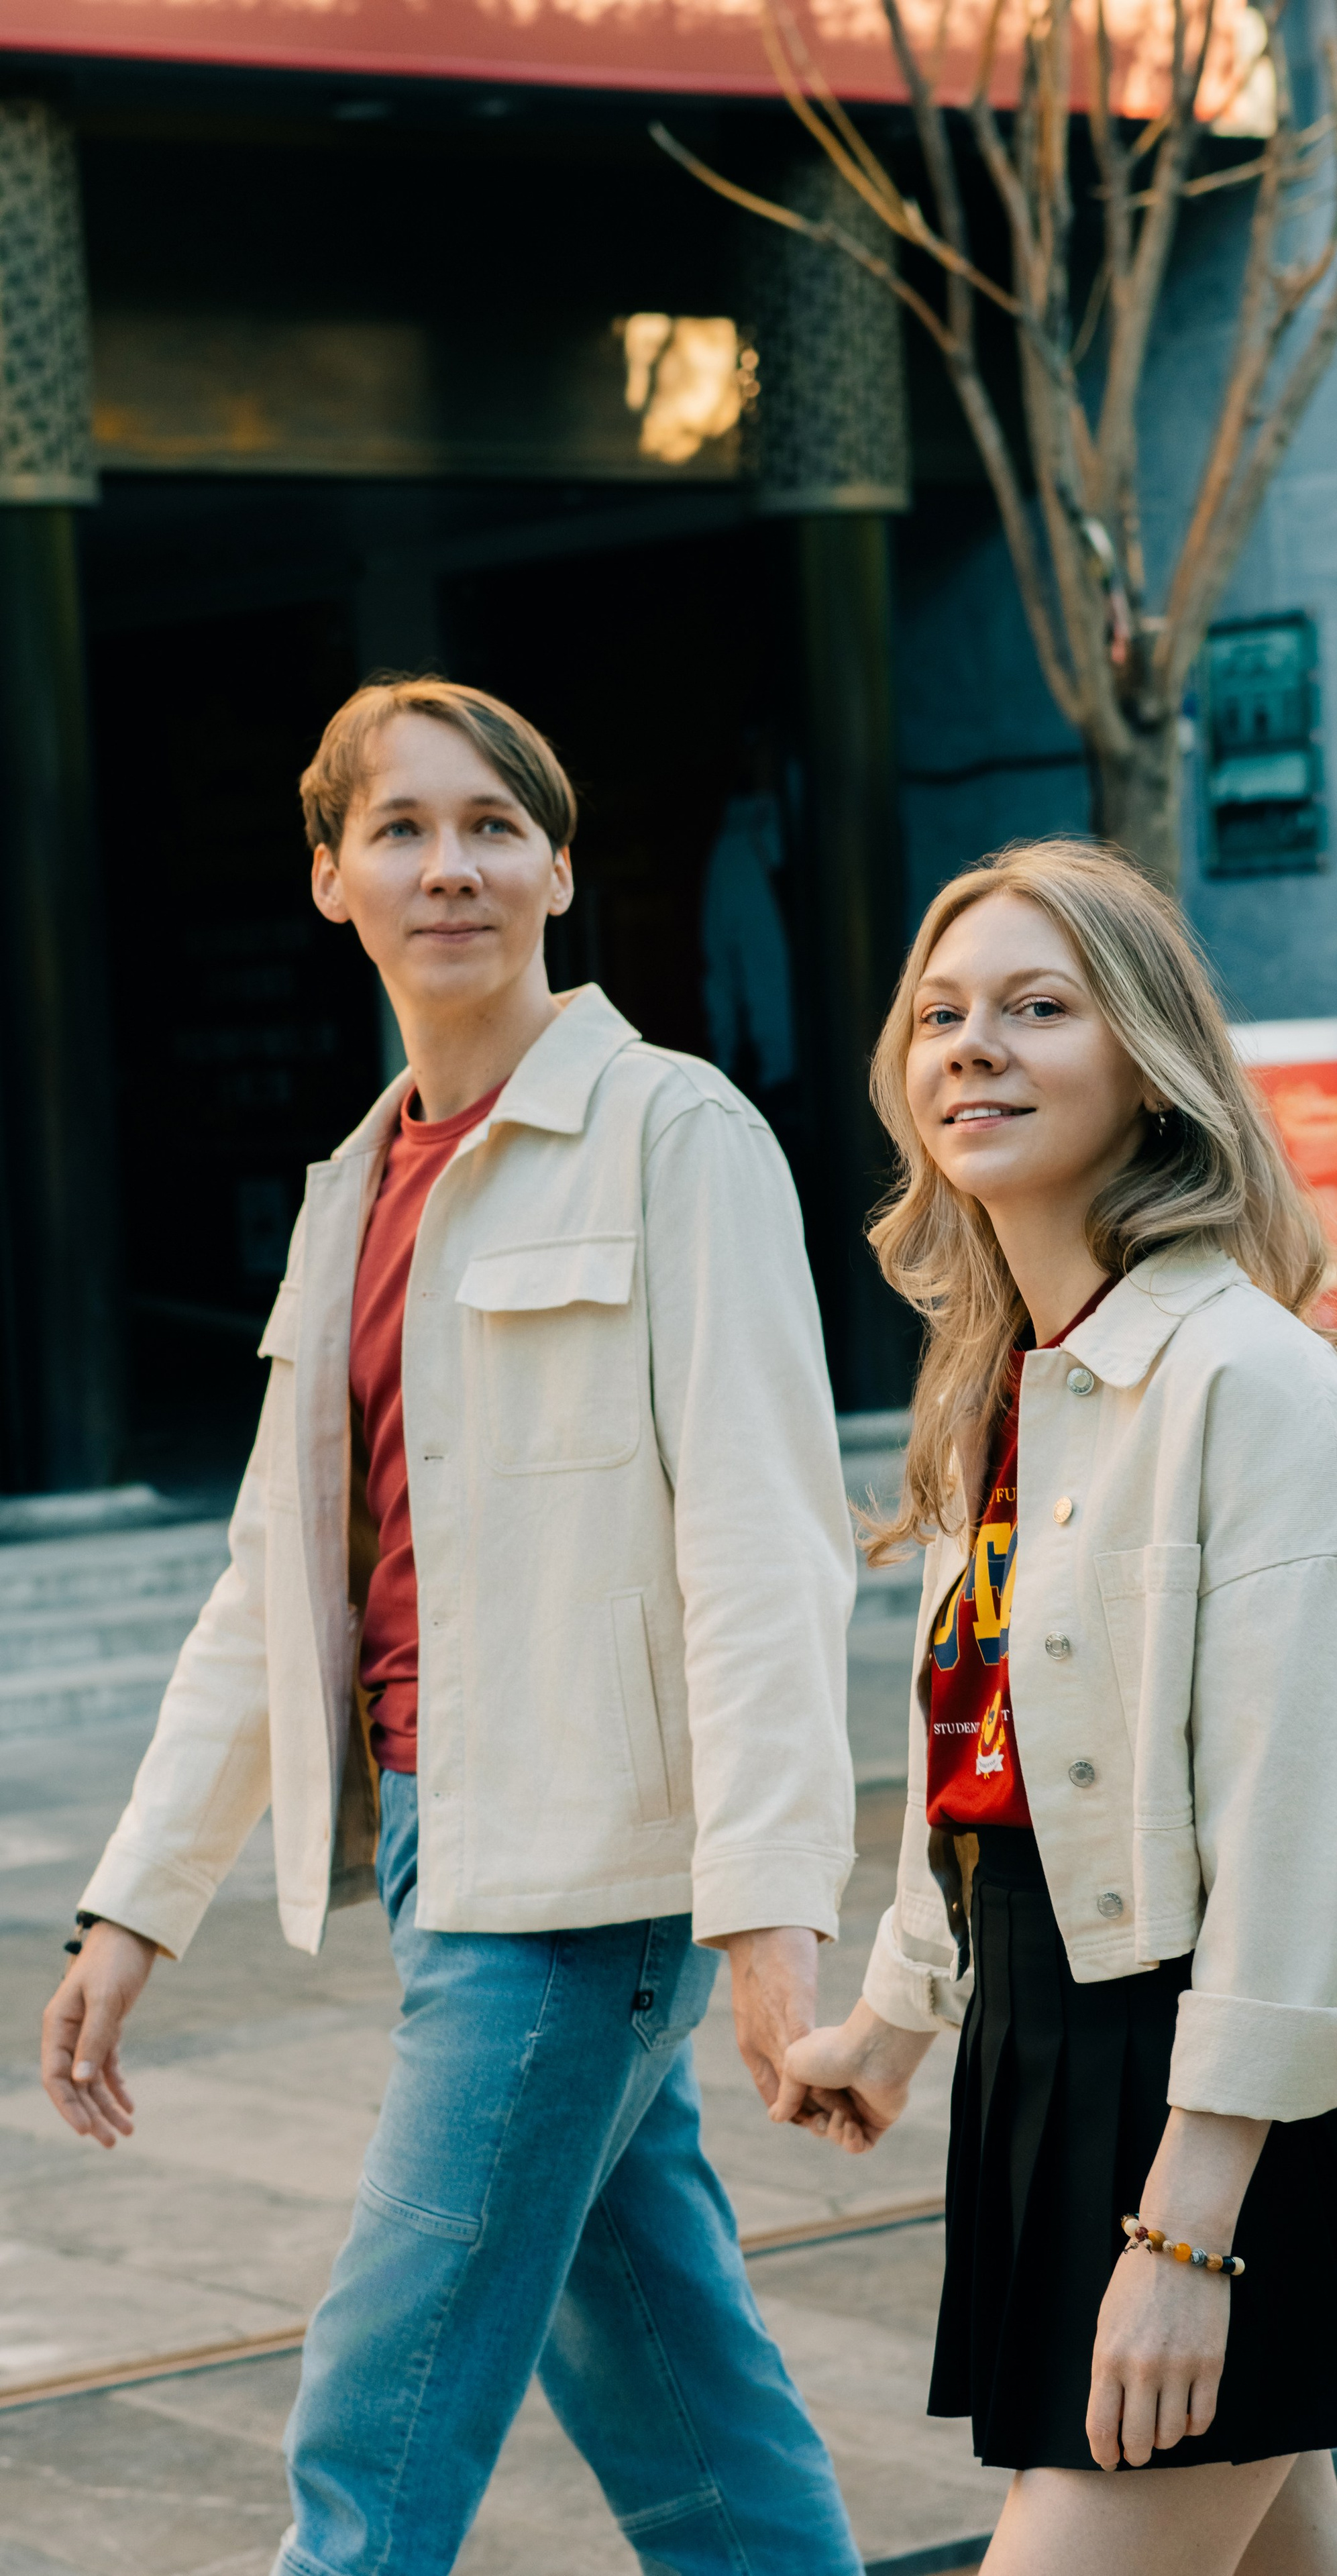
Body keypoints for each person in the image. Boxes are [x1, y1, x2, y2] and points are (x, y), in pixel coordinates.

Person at [40, 678, 865, 2576]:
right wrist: (132, 1903)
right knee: (674, 2382)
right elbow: (274, 1583)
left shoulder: (677, 1133)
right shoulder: (353, 1190)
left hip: (588, 1884)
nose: (452, 867)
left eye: (493, 825)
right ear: (330, 879)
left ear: (560, 866)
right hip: (444, 1839)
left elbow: (766, 1541)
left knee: (380, 2405)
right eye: (400, 831)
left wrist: (766, 1911)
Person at [786, 841, 1337, 2576]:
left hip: (1227, 2106)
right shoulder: (1013, 1381)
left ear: (1149, 1064)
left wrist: (1193, 2227)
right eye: (940, 1015)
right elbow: (982, 1774)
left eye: (1037, 1009)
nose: (971, 1046)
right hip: (1061, 2068)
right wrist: (893, 2024)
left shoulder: (1244, 1377)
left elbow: (1334, 1813)